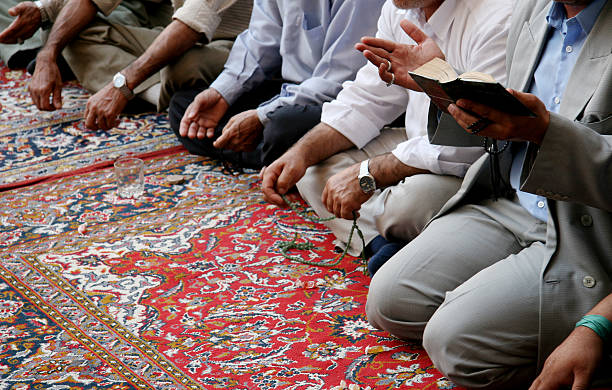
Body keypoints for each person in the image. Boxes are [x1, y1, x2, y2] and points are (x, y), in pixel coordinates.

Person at [365, 0, 612, 388]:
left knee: (454, 341)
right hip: (510, 200)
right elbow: (507, 124)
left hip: (586, 229)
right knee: (390, 301)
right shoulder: (534, 10)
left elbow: (538, 126)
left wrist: (544, 132)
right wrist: (445, 88)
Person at [261, 0, 513, 274]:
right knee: (311, 170)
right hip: (416, 144)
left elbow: (475, 143)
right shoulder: (400, 10)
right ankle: (379, 245)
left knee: (408, 206)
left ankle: (405, 237)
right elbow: (367, 99)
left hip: (483, 165)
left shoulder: (497, 16)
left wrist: (369, 173)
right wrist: (299, 154)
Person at [169, 0, 386, 170]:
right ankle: (282, 157)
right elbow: (260, 41)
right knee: (185, 107)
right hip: (292, 92)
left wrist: (262, 116)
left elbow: (337, 80)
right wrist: (222, 93)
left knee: (279, 127)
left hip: (340, 97)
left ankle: (280, 154)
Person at [0, 0, 251, 128]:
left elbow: (190, 25)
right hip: (173, 31)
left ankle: (144, 90)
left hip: (237, 45)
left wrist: (122, 85)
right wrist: (48, 54)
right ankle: (156, 93)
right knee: (64, 33)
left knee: (184, 65)